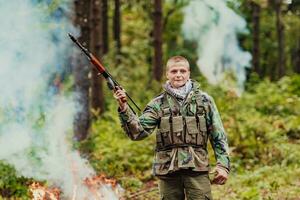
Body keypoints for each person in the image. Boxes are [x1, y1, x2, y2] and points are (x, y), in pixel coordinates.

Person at [114, 56, 230, 200]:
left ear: (189, 73)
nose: (178, 75)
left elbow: (218, 135)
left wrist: (223, 165)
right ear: (167, 74)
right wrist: (124, 107)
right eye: (174, 71)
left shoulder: (205, 101)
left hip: (197, 168)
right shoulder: (157, 103)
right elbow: (138, 132)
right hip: (168, 171)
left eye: (182, 71)